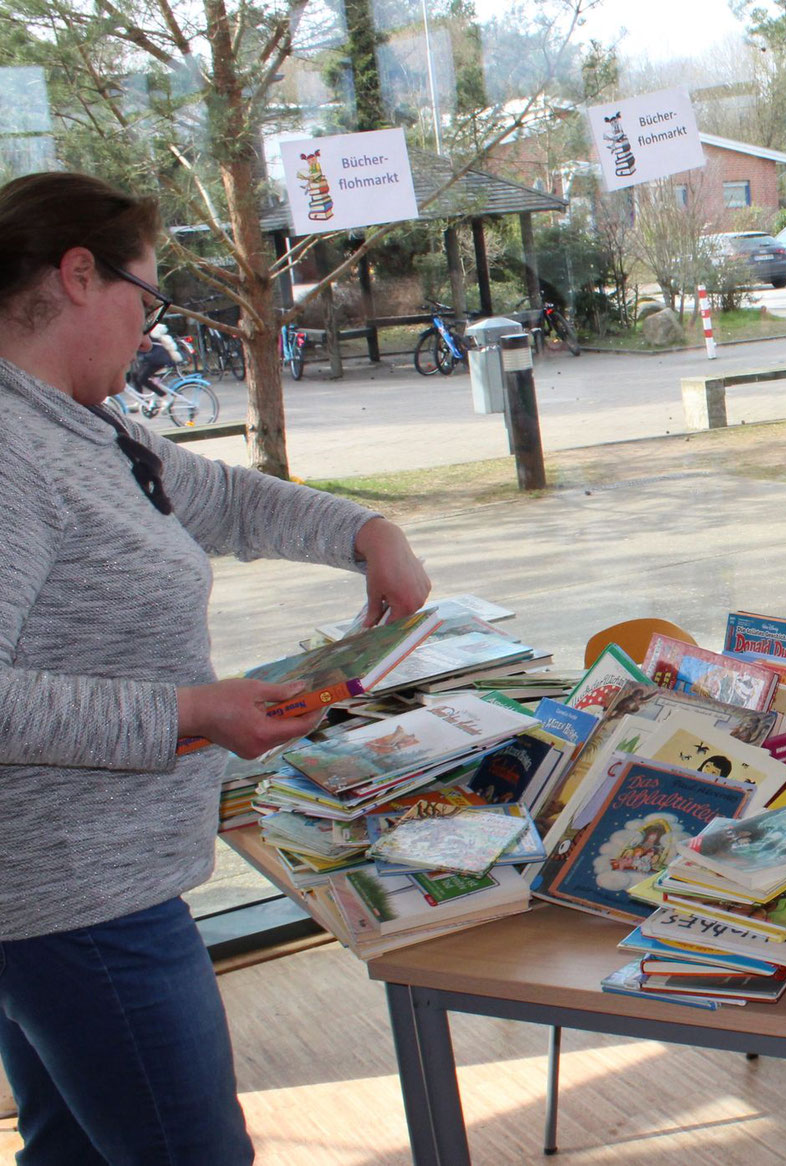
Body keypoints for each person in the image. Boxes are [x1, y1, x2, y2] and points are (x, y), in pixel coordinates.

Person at [0, 171, 431, 1164]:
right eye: (144, 300)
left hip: (78, 889)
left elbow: (223, 499)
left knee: (74, 1145)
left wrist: (368, 528)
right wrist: (190, 711)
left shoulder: (81, 422)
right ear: (78, 275)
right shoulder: (14, 451)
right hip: (77, 904)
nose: (149, 329)